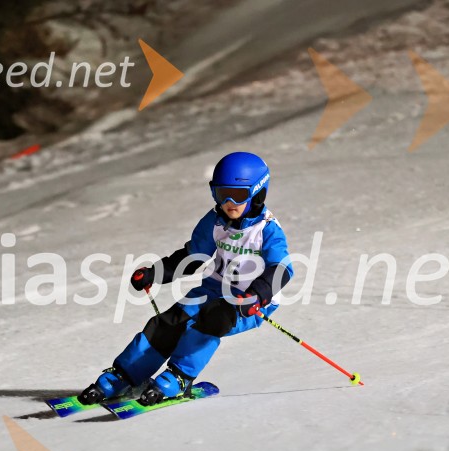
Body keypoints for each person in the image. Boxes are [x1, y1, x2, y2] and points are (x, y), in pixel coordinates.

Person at [78, 151, 294, 406]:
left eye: (237, 194)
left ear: (257, 192)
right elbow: (192, 256)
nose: (228, 201)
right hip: (214, 288)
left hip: (251, 302)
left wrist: (258, 294)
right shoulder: (215, 221)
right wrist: (154, 273)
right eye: (221, 193)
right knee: (168, 322)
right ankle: (123, 375)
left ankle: (179, 377)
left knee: (214, 318)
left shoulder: (267, 229)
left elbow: (282, 269)